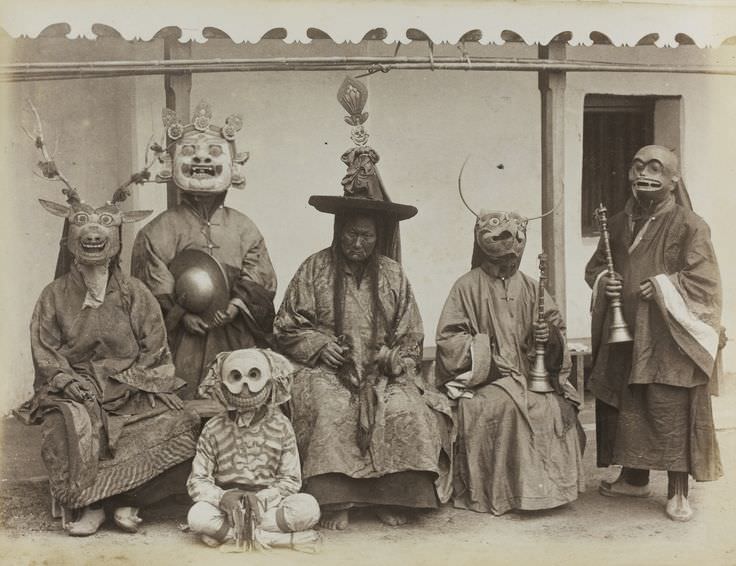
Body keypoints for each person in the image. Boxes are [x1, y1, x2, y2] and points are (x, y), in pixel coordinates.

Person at [273, 77, 452, 530]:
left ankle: (392, 498)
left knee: (404, 409)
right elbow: (285, 326)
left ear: (378, 237)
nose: (357, 243)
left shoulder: (392, 275)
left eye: (366, 236)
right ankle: (338, 501)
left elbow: (411, 334)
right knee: (329, 407)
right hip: (325, 372)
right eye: (350, 234)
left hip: (383, 373)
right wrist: (317, 345)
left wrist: (396, 357)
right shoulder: (314, 268)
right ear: (339, 232)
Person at [20, 187, 200, 536]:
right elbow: (45, 351)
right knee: (66, 430)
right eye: (83, 226)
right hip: (76, 389)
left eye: (103, 227)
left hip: (131, 387)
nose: (92, 235)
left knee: (183, 423)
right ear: (71, 236)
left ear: (116, 235)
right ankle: (93, 504)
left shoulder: (135, 292)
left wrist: (134, 381)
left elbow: (156, 347)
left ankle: (130, 500)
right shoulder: (53, 295)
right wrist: (71, 383)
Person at [586, 145, 723, 522]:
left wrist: (663, 286)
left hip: (668, 338)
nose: (644, 174)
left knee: (669, 405)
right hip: (625, 330)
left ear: (674, 180)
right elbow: (595, 267)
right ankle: (634, 477)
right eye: (637, 166)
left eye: (656, 168)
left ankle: (678, 490)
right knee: (627, 399)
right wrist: (604, 282)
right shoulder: (615, 223)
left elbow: (705, 282)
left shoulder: (691, 225)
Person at [435, 204, 585, 516]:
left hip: (532, 374)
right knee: (507, 407)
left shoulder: (532, 287)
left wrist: (547, 338)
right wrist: (488, 355)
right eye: (500, 257)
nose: (507, 262)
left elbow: (558, 331)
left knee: (552, 406)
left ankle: (548, 492)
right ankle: (511, 495)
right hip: (485, 380)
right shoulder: (466, 286)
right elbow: (449, 340)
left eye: (513, 257)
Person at [132, 101, 277, 398]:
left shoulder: (244, 227)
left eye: (213, 152)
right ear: (170, 163)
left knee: (241, 397)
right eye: (188, 151)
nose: (201, 158)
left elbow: (261, 279)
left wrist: (237, 306)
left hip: (236, 333)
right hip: (179, 337)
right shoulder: (157, 230)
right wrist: (180, 316)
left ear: (234, 166)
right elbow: (148, 292)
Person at [187, 348, 321, 552]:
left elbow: (291, 479)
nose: (245, 388)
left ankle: (232, 537)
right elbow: (197, 480)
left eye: (254, 376)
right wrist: (222, 498)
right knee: (197, 515)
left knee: (308, 507)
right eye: (235, 377)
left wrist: (261, 500)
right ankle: (277, 540)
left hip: (268, 506)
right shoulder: (213, 428)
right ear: (222, 385)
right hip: (228, 507)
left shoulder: (281, 425)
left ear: (269, 381)